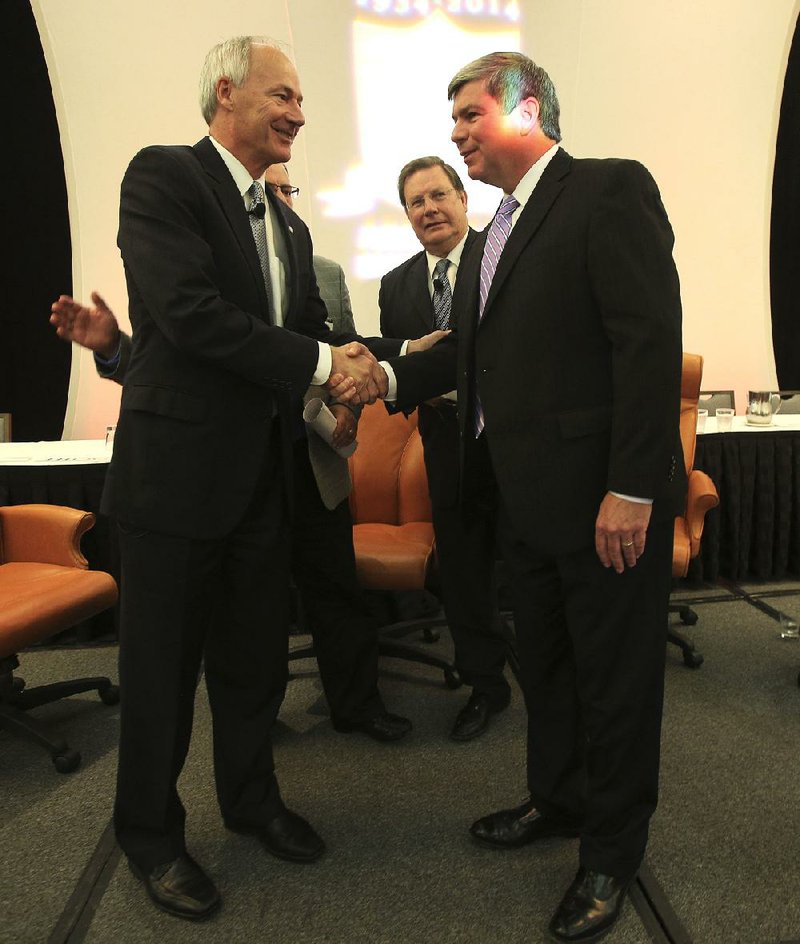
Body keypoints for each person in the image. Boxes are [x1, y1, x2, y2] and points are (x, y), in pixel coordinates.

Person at [64, 35, 386, 922]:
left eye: (302, 99)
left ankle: (252, 804)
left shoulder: (288, 223)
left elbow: (318, 331)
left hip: (263, 488)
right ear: (226, 92)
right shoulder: (163, 177)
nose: (299, 114)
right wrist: (328, 365)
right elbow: (193, 319)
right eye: (283, 95)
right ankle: (151, 838)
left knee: (254, 669)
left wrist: (384, 363)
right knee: (161, 677)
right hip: (174, 490)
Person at [373, 52, 686, 942]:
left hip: (604, 508)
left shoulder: (607, 190)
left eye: (470, 115)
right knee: (545, 669)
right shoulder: (493, 233)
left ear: (528, 108)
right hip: (522, 505)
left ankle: (611, 855)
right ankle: (556, 800)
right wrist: (380, 371)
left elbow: (646, 344)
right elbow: (463, 351)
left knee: (615, 685)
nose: (458, 134)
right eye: (455, 121)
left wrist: (631, 487)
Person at [378, 156, 510, 741]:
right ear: (407, 216)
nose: (428, 209)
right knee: (464, 573)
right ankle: (486, 686)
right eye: (415, 202)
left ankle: (554, 675)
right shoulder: (395, 285)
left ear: (463, 199)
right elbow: (400, 374)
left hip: (511, 443)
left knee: (532, 568)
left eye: (438, 196)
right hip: (446, 449)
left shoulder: (504, 258)